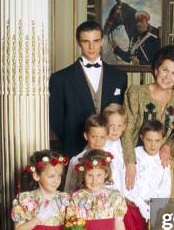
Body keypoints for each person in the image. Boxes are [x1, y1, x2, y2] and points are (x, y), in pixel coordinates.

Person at [49, 20, 127, 157]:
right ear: (79, 43)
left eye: (96, 41)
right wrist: (73, 139)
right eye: (86, 42)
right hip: (76, 147)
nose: (91, 47)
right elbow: (56, 119)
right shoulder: (60, 78)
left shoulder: (119, 77)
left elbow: (120, 113)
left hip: (111, 148)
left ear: (102, 41)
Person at [122, 44, 174, 190]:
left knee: (160, 204)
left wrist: (167, 146)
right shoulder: (136, 93)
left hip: (164, 162)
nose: (168, 77)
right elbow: (127, 130)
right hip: (136, 157)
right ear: (156, 69)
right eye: (165, 70)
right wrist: (130, 163)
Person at [124, 120, 172, 230]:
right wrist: (141, 205)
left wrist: (154, 207)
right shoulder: (135, 155)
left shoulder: (164, 159)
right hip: (135, 208)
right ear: (142, 137)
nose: (153, 145)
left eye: (157, 141)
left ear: (163, 140)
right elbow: (129, 186)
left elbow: (166, 188)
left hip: (156, 210)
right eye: (149, 140)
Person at [64, 114, 108, 193]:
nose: (98, 141)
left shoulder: (110, 159)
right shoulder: (76, 161)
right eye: (94, 136)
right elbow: (69, 188)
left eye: (102, 137)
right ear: (86, 136)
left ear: (107, 137)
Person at [102, 103, 127, 196]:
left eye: (119, 126)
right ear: (104, 125)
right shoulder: (101, 146)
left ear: (124, 127)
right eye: (111, 125)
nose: (115, 130)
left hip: (122, 194)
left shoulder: (120, 143)